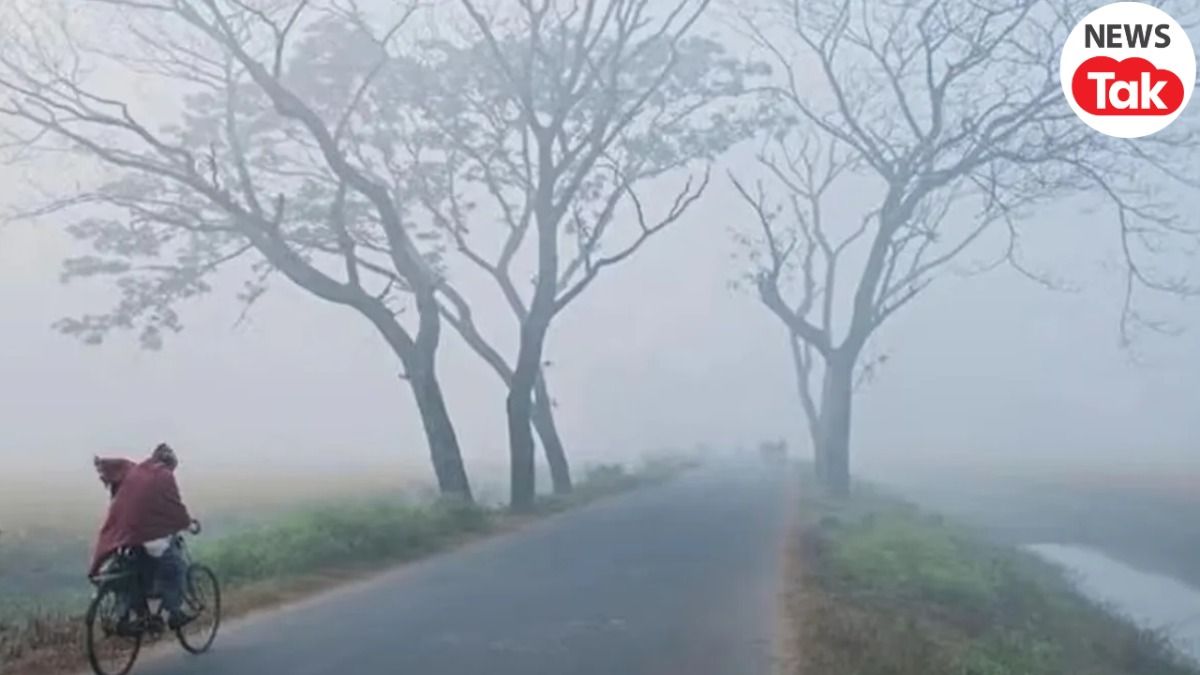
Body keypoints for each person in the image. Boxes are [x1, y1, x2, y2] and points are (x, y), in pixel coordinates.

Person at [91, 443, 200, 629]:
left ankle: (131, 616)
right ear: (169, 463)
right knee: (176, 567)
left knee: (131, 572)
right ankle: (175, 613)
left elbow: (117, 469)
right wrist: (188, 524)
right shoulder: (164, 475)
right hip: (147, 535)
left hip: (124, 535)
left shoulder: (136, 471)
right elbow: (175, 507)